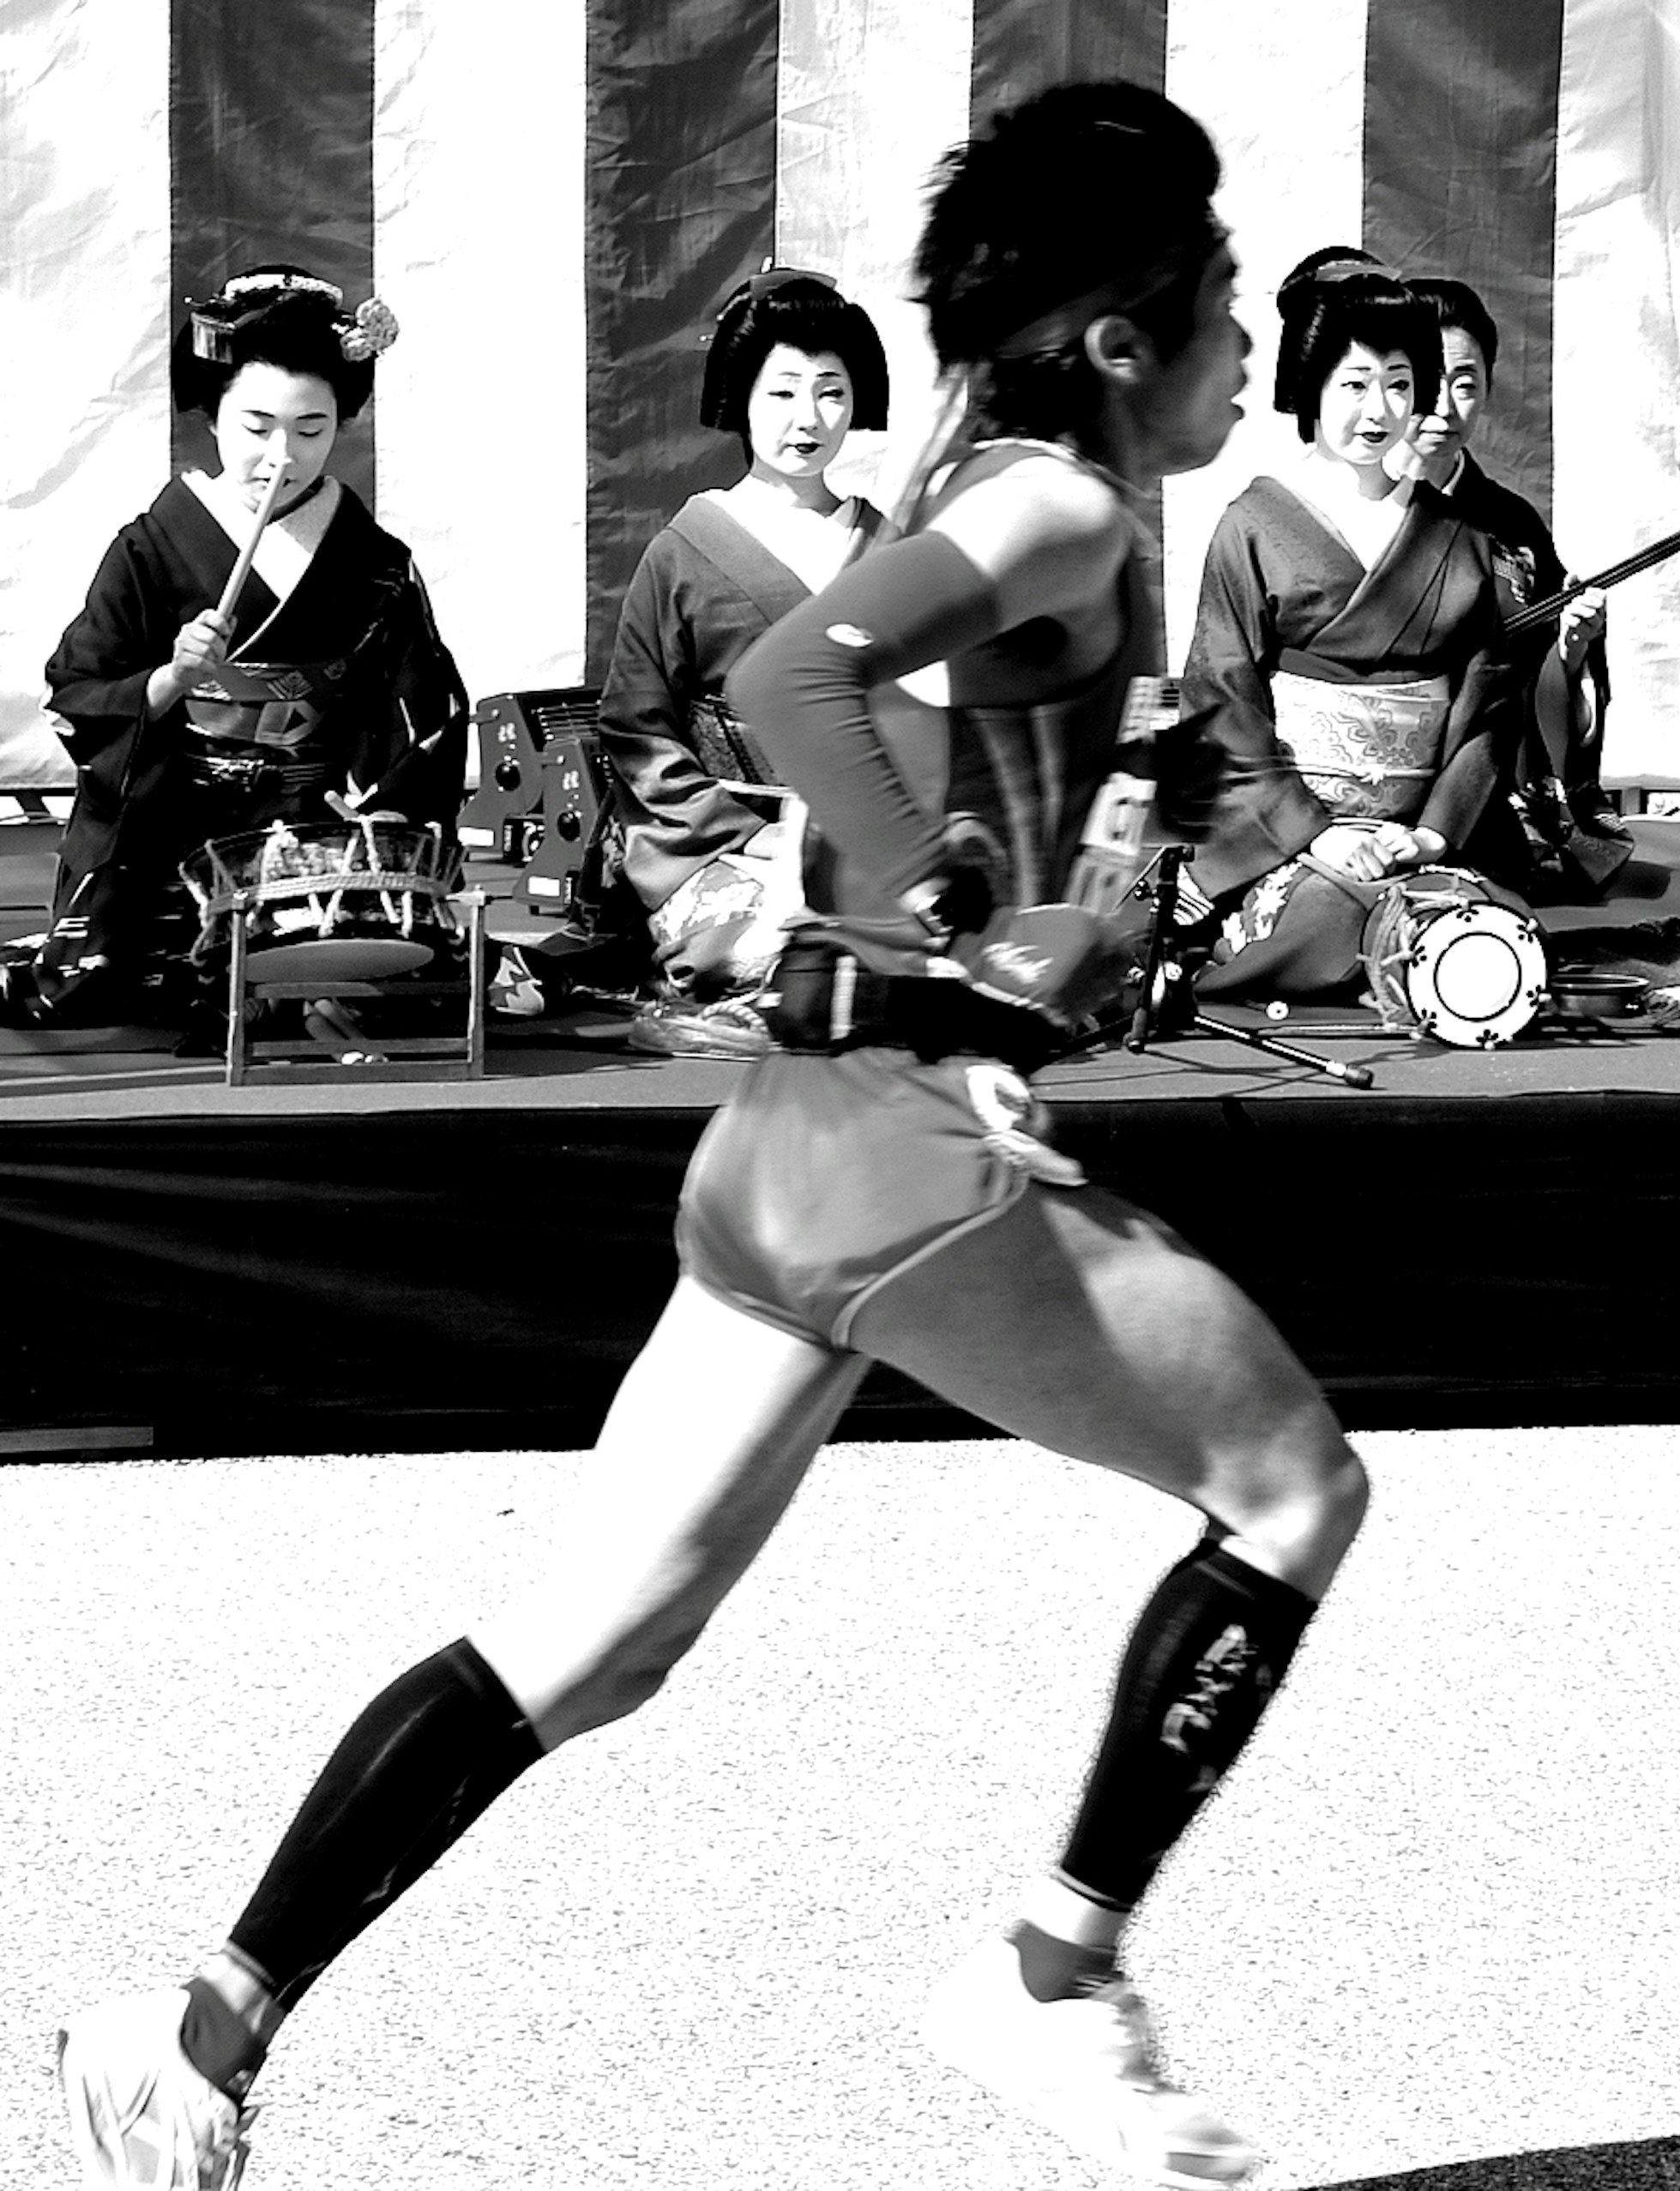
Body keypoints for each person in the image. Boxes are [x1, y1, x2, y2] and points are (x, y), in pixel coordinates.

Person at [55, 81, 1358, 2191]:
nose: (1246, 345)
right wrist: (946, 902)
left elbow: (1102, 786)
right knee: (1294, 1493)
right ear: (1126, 334)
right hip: (901, 1151)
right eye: (1220, 299)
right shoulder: (1061, 514)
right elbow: (791, 682)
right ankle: (1051, 1970)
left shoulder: (1033, 500)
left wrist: (1219, 859)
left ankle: (191, 2031)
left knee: (594, 1642)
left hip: (799, 1142)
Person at [12, 265, 465, 1032]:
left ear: (340, 425)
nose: (280, 454)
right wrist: (169, 678)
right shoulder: (154, 549)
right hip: (170, 819)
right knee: (104, 987)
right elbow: (78, 691)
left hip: (313, 821)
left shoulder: (374, 564)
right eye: (257, 428)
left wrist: (371, 811)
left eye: (310, 430)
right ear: (213, 417)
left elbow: (426, 714)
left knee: (391, 978)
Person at [1177, 251, 1526, 1001]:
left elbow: (1485, 707)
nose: (1379, 412)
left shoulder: (1457, 534)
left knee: (1485, 918)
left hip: (1414, 838)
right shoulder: (1255, 524)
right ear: (1310, 385)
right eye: (1356, 385)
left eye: (1399, 385)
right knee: (1330, 911)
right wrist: (1314, 829)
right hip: (1295, 834)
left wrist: (1431, 833)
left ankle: (1396, 954)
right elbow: (1221, 699)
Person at [589, 267, 892, 1055]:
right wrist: (749, 836)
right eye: (783, 391)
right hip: (726, 844)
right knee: (762, 945)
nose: (808, 417)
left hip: (867, 832)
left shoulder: (893, 548)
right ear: (740, 398)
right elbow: (637, 729)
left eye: (831, 390)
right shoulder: (686, 550)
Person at [1398, 274, 1632, 895]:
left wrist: (1570, 651)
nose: (1445, 407)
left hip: (1485, 807)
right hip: (1362, 797)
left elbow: (1534, 704)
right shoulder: (1342, 512)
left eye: (1466, 383)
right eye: (1425, 379)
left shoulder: (1513, 526)